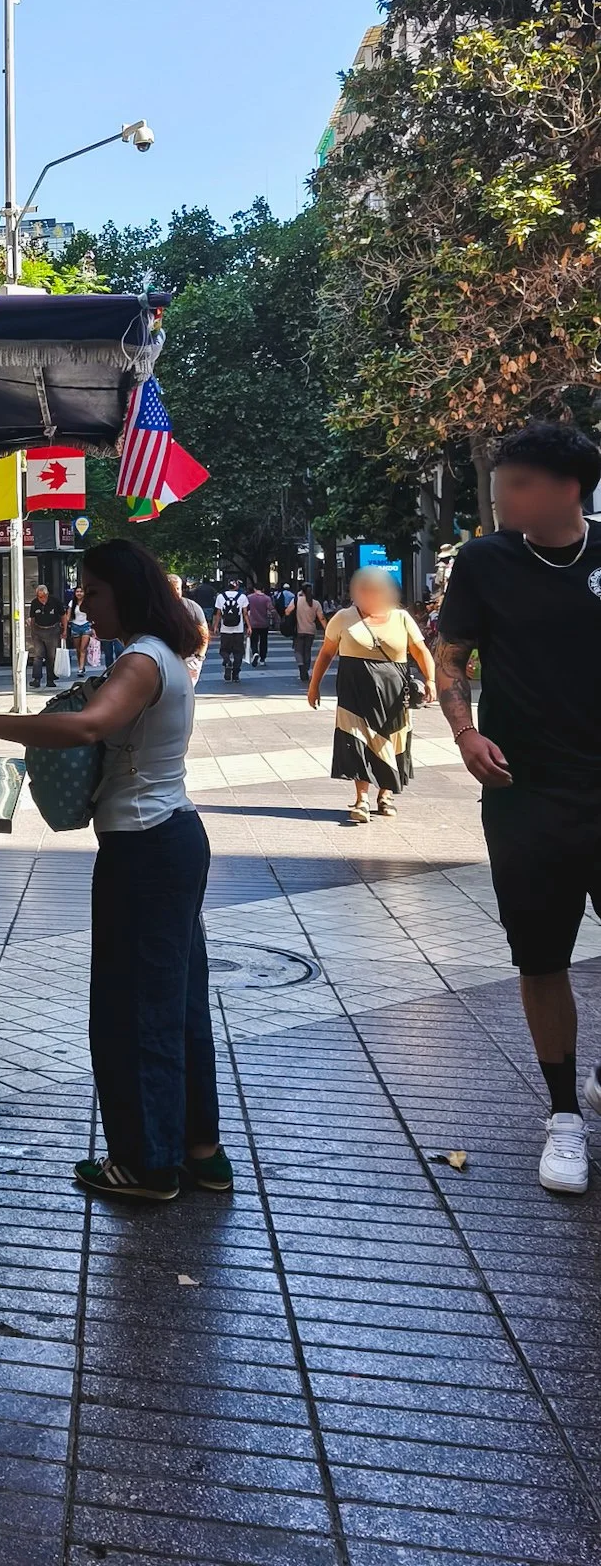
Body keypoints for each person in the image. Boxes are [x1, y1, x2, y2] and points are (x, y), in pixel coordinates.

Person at [0, 538, 222, 1201]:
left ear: (128, 592)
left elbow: (89, 726)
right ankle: (200, 1151)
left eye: (92, 591)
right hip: (171, 835)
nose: (81, 604)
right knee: (176, 1003)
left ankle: (146, 1166)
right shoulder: (160, 654)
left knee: (133, 1007)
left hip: (144, 848)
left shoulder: (142, 661)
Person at [434, 423, 601, 1195]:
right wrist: (465, 733)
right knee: (540, 957)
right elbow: (450, 658)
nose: (499, 494)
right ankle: (563, 1117)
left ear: (568, 487)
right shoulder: (483, 561)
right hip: (524, 793)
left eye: (516, 481)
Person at [307, 568, 434, 825]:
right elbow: (326, 653)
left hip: (394, 691)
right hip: (354, 690)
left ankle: (385, 794)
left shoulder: (401, 618)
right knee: (356, 740)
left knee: (392, 740)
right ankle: (361, 798)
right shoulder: (343, 618)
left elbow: (420, 651)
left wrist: (430, 679)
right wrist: (314, 685)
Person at [166, 574, 210, 687]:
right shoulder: (157, 607)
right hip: (166, 659)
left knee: (187, 690)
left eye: (177, 588)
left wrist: (199, 657)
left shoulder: (193, 607)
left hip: (190, 659)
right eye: (172, 589)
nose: (176, 592)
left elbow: (204, 633)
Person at [28, 584, 64, 689]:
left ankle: (50, 679)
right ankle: (36, 679)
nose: (41, 599)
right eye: (39, 597)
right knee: (38, 655)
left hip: (52, 631)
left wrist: (64, 630)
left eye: (43, 597)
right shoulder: (34, 603)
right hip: (38, 631)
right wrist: (33, 630)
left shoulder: (55, 601)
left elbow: (63, 615)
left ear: (47, 594)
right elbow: (32, 617)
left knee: (51, 656)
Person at [291, 586, 327, 687]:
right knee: (307, 650)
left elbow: (287, 611)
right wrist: (327, 630)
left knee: (298, 650)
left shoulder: (297, 600)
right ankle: (306, 668)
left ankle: (301, 667)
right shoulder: (316, 603)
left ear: (301, 591)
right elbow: (322, 618)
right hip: (311, 630)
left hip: (299, 630)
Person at [214, 577, 247, 683]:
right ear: (236, 586)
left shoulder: (220, 597)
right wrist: (249, 626)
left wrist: (215, 626)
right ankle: (236, 674)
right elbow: (245, 613)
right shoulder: (242, 597)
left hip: (225, 629)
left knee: (224, 650)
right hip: (238, 629)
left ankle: (227, 661)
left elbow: (218, 613)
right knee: (238, 652)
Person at [245, 582, 274, 666]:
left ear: (254, 589)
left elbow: (245, 610)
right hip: (264, 623)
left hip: (252, 623)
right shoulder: (267, 598)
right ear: (263, 589)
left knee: (254, 640)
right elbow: (271, 609)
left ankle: (255, 652)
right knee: (263, 641)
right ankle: (262, 658)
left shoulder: (249, 598)